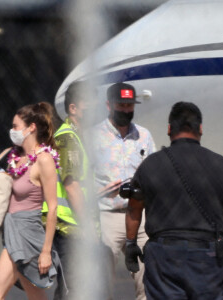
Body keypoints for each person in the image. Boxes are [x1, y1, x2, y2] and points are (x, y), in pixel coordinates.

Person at [124, 101, 223, 300]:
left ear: (169, 129)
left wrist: (131, 244)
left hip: (164, 257)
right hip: (207, 258)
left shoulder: (150, 165)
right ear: (200, 129)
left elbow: (134, 208)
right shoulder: (222, 165)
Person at [0, 102, 60, 300]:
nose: (12, 130)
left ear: (31, 128)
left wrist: (46, 251)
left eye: (16, 126)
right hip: (11, 229)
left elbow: (52, 208)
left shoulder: (44, 160)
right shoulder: (15, 157)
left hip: (28, 233)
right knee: (35, 295)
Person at [91, 82, 156, 300]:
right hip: (107, 214)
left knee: (148, 278)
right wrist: (97, 190)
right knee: (102, 280)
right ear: (108, 105)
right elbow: (80, 178)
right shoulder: (92, 136)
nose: (126, 110)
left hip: (139, 215)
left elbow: (154, 171)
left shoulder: (144, 136)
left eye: (130, 105)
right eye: (121, 105)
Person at [42, 81, 93, 300]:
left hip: (72, 225)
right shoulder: (68, 139)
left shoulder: (80, 137)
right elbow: (71, 186)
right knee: (71, 290)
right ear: (73, 109)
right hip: (68, 226)